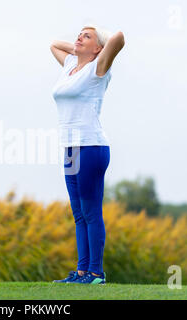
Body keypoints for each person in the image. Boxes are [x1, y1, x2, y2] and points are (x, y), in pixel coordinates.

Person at [50, 25, 125, 284]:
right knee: (79, 213)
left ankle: (96, 273)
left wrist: (96, 53)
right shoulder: (70, 66)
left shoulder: (98, 69)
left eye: (87, 35)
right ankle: (82, 272)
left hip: (91, 147)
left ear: (98, 49)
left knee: (91, 212)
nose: (79, 37)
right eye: (79, 33)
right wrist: (80, 51)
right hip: (70, 149)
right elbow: (53, 45)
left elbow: (119, 38)